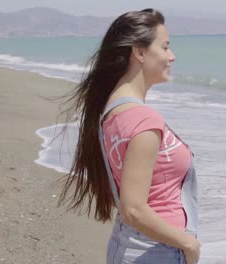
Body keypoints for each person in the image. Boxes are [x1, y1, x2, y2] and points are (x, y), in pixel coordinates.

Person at [56, 8, 201, 264]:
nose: (172, 56)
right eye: (165, 47)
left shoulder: (111, 112)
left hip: (127, 246)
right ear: (140, 52)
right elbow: (133, 209)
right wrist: (188, 244)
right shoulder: (144, 120)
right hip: (156, 251)